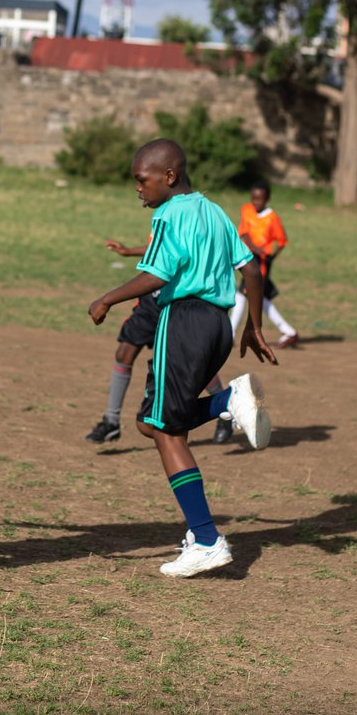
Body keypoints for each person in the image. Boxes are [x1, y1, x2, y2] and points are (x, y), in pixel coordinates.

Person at [88, 139, 277, 578]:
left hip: (184, 321)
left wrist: (107, 299)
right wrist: (253, 325)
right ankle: (224, 407)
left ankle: (207, 538)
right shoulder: (214, 211)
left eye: (142, 180)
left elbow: (158, 273)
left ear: (168, 176)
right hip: (218, 326)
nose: (138, 189)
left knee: (164, 429)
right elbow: (250, 269)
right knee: (153, 423)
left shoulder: (169, 214)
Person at [86, 238, 226, 444]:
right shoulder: (161, 214)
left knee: (189, 363)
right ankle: (111, 421)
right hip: (149, 300)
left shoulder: (184, 214)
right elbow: (158, 247)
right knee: (124, 353)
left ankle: (224, 408)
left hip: (174, 299)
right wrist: (129, 251)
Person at [228, 182, 298, 348]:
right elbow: (243, 233)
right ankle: (289, 332)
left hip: (261, 263)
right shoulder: (246, 210)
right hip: (249, 258)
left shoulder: (272, 218)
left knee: (243, 294)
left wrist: (270, 257)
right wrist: (254, 248)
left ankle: (229, 333)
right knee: (260, 298)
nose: (255, 202)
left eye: (259, 199)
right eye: (253, 198)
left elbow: (281, 241)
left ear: (267, 199)